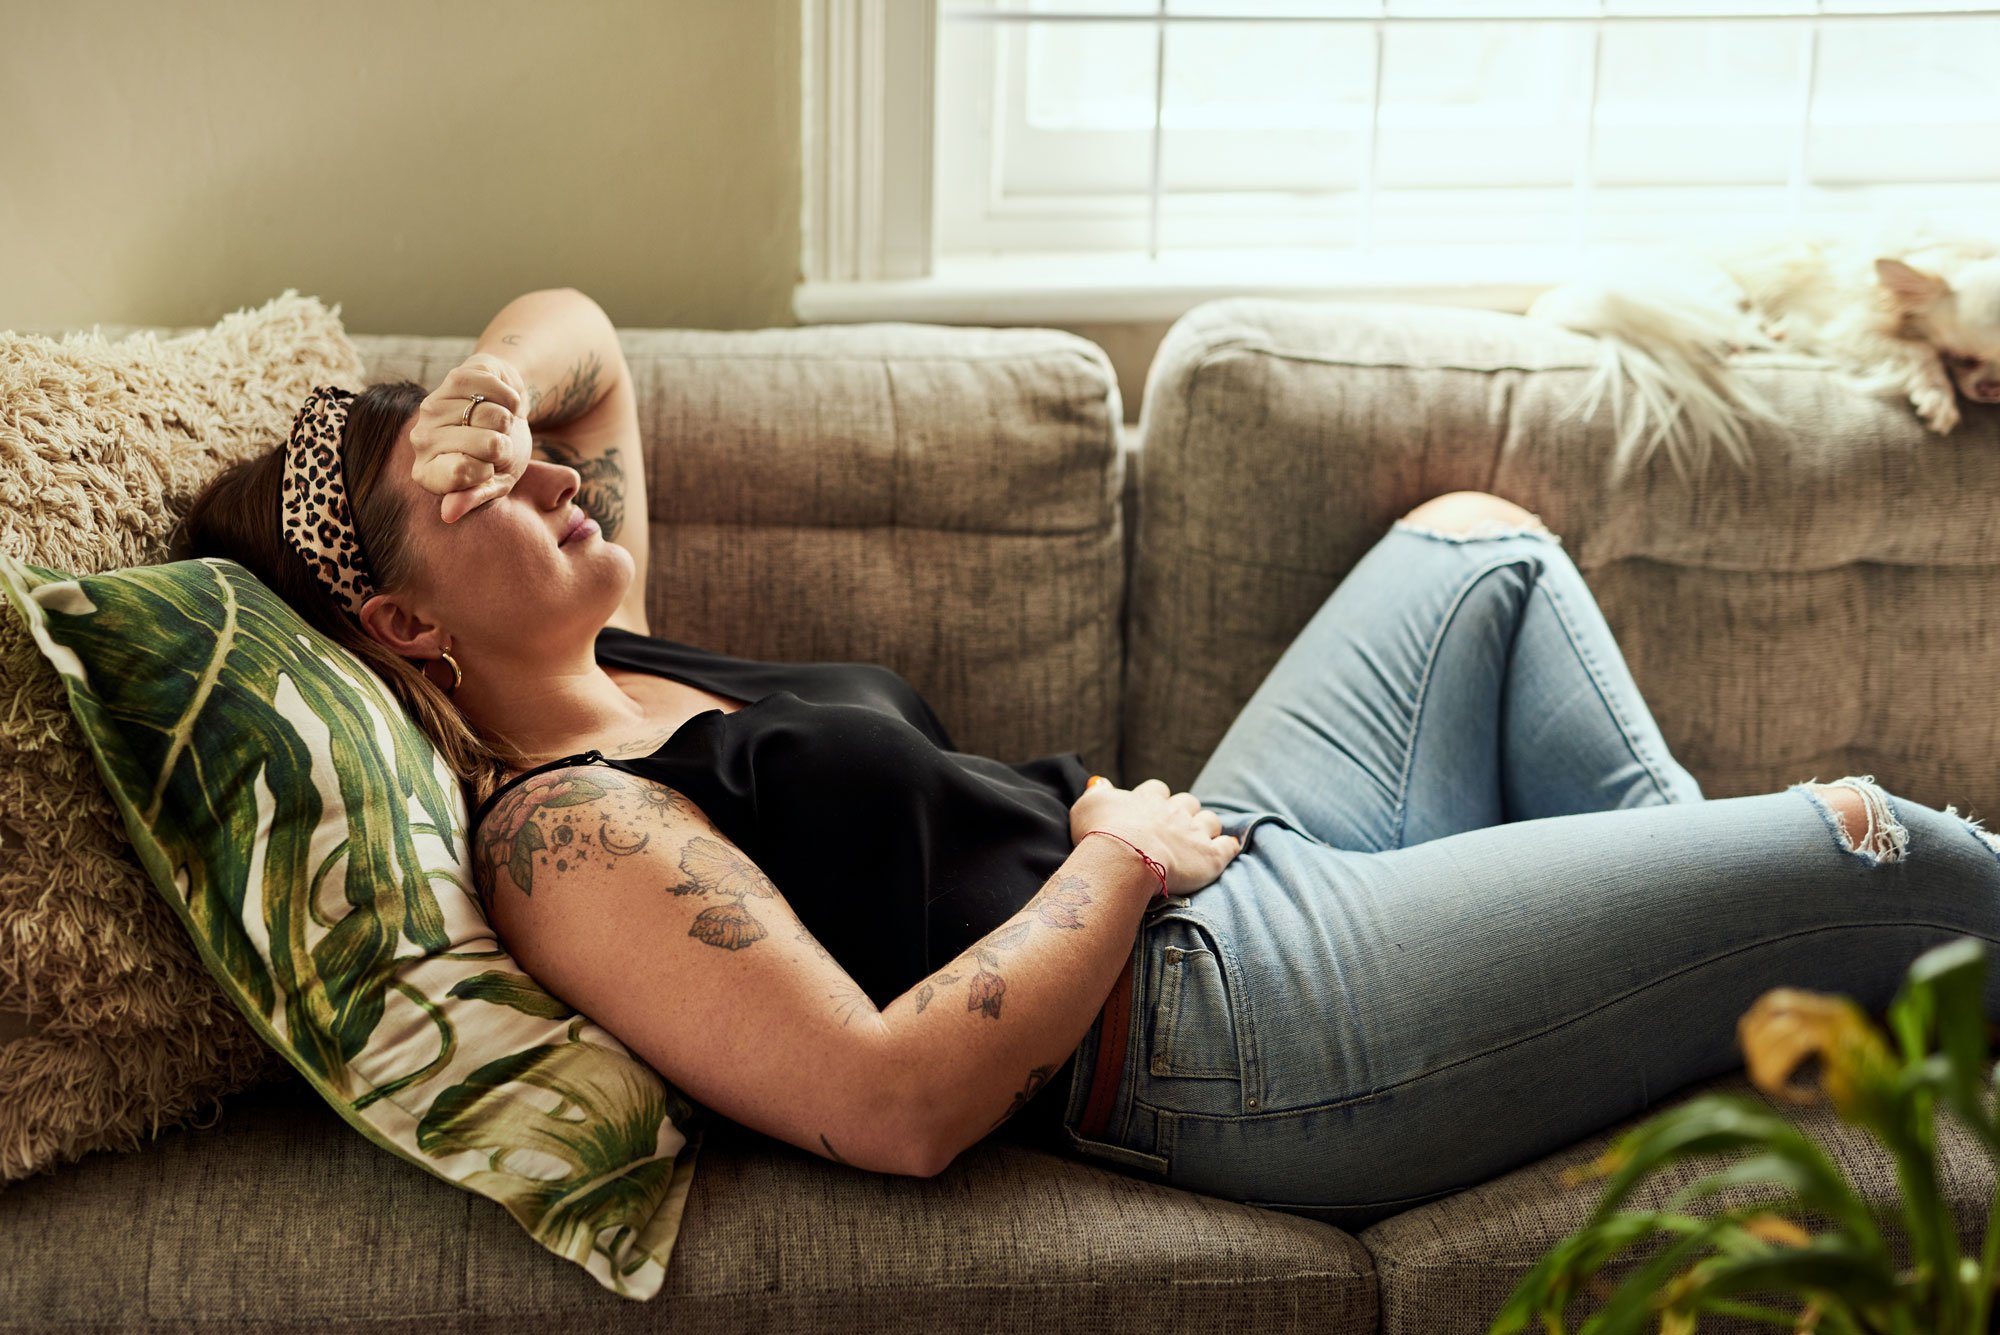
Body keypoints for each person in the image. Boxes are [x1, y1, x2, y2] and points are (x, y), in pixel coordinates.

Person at [173, 288, 2000, 1230]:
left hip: (1229, 857)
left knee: (1478, 548)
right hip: (1226, 1026)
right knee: (1867, 846)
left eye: (527, 453)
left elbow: (583, 346)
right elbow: (890, 1108)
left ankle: (1669, 992)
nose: (557, 475)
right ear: (410, 632)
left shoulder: (604, 645)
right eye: (492, 493)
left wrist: (480, 388)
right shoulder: (563, 834)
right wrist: (1111, 860)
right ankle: (1714, 961)